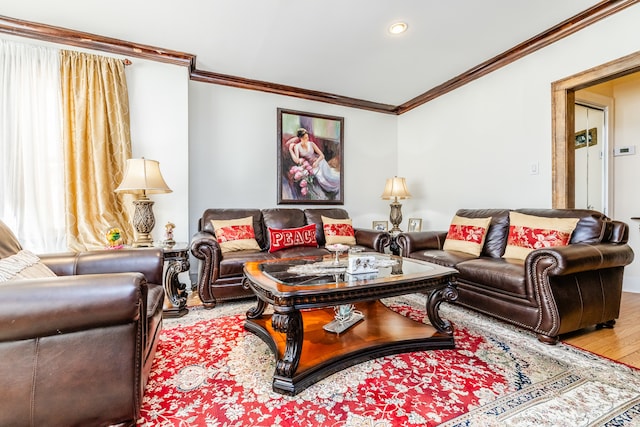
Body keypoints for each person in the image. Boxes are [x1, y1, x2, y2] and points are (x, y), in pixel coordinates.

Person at [289, 128, 340, 197]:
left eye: (307, 137)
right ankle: (327, 193)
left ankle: (333, 190)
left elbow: (322, 155)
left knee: (329, 177)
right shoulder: (297, 147)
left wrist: (316, 162)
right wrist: (291, 150)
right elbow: (297, 160)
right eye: (304, 138)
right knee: (320, 178)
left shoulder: (311, 144)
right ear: (300, 138)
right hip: (310, 165)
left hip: (319, 161)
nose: (306, 139)